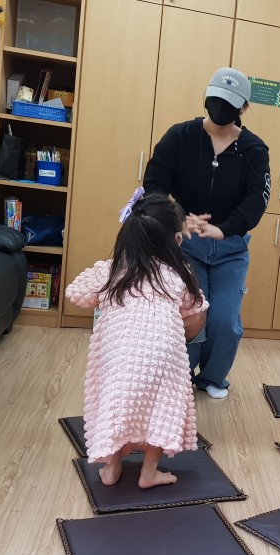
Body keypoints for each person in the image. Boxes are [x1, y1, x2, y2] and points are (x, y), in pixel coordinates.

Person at [65, 192, 209, 488]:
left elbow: (75, 293)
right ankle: (149, 472)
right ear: (174, 241)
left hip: (118, 354)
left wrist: (102, 286)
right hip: (164, 355)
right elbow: (196, 308)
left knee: (118, 406)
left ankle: (112, 468)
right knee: (162, 408)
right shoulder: (178, 274)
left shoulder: (115, 271)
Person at [144, 67, 270, 400]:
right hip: (185, 245)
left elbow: (258, 197)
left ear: (243, 108)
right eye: (216, 99)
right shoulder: (180, 137)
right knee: (187, 315)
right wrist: (177, 221)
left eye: (229, 103)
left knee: (225, 321)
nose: (220, 107)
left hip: (231, 247)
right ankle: (180, 374)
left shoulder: (254, 149)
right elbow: (154, 185)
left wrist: (225, 228)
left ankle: (213, 377)